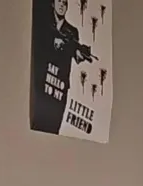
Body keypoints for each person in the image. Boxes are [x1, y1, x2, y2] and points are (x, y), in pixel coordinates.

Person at [30, 0, 95, 133]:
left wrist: (81, 54)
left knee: (54, 127)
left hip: (60, 86)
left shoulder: (72, 31)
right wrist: (54, 41)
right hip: (42, 81)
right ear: (52, 3)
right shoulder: (44, 25)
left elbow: (76, 55)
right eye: (59, 1)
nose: (62, 5)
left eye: (65, 3)